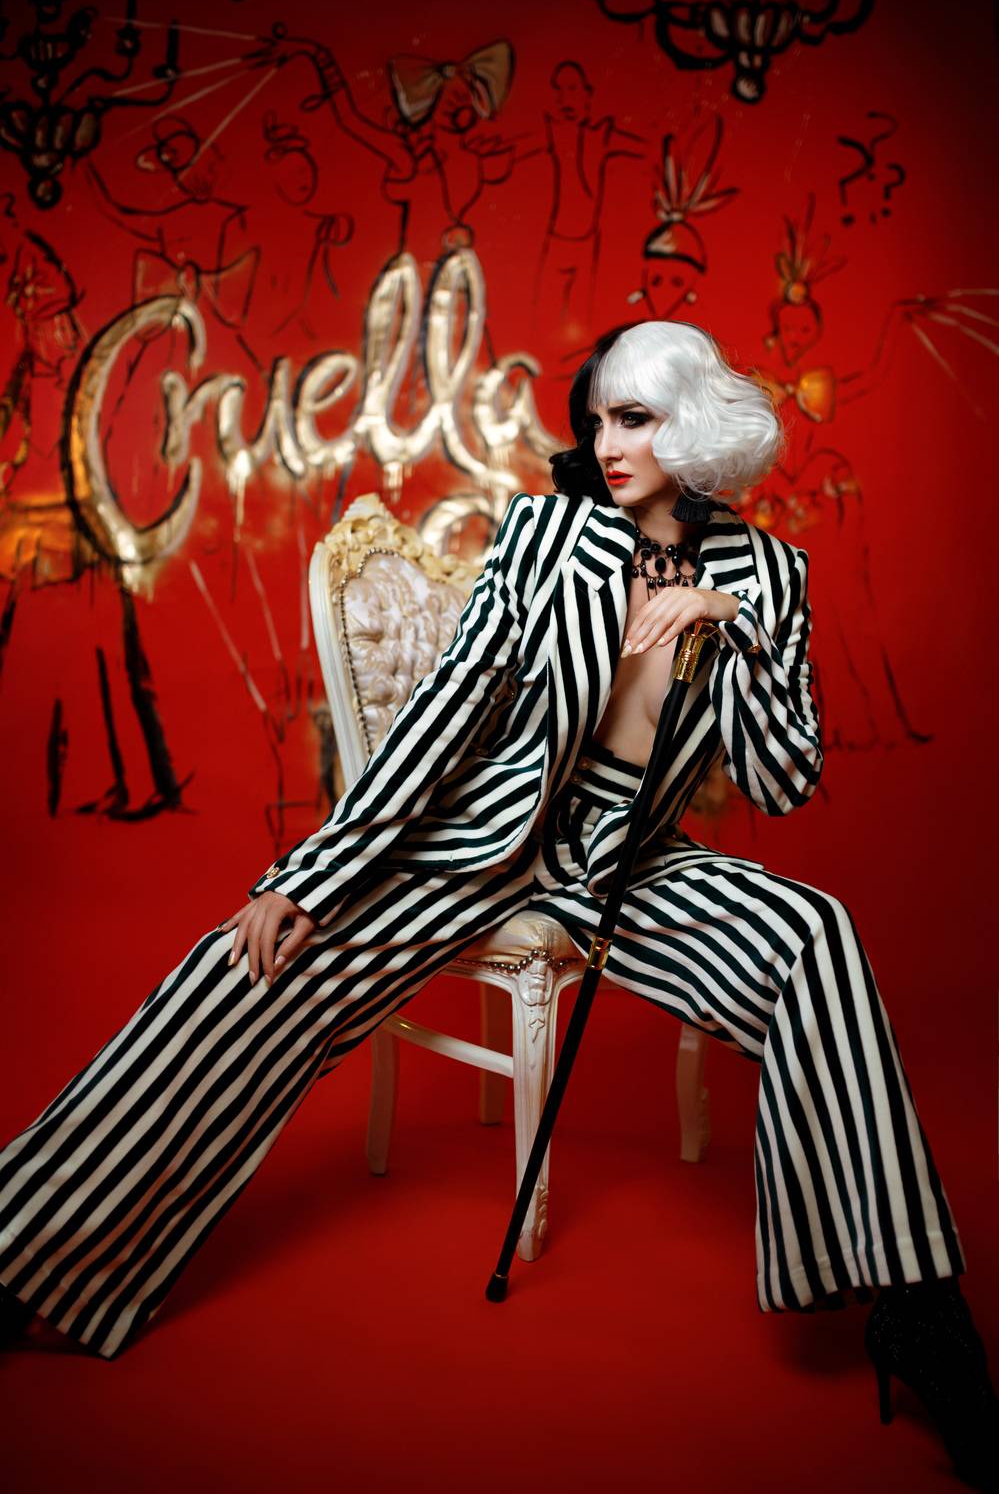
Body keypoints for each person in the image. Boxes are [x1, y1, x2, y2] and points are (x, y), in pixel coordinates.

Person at [0, 321, 995, 1486]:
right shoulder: (543, 537)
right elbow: (447, 714)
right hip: (481, 846)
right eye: (600, 418)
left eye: (636, 419)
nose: (607, 443)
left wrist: (734, 627)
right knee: (251, 967)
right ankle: (28, 1247)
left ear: (696, 425)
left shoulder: (768, 577)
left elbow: (783, 782)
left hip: (635, 867)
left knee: (814, 932)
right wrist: (307, 878)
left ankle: (920, 1313)